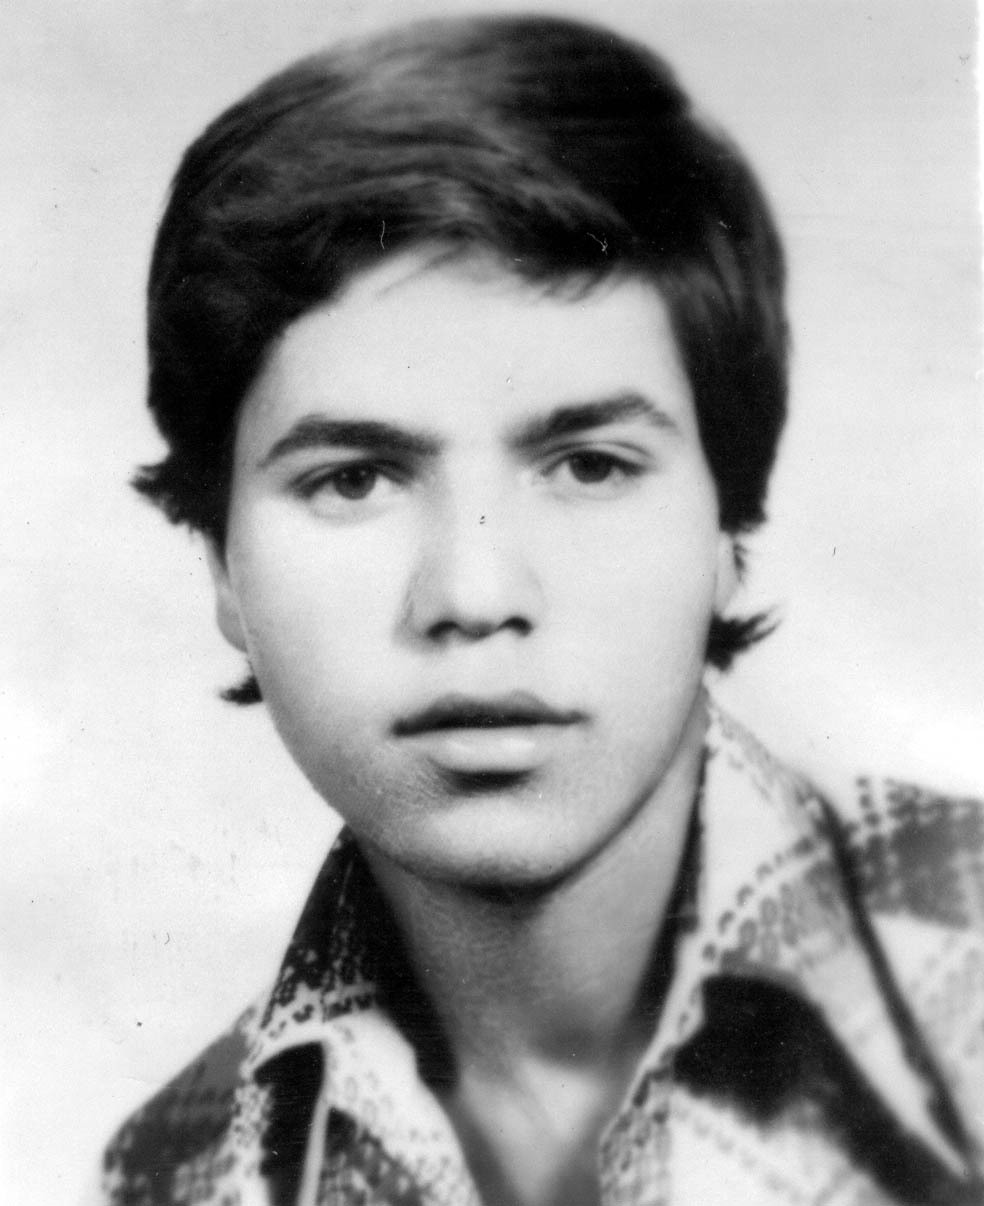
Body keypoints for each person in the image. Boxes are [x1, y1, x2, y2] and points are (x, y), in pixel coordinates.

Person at [97, 13, 983, 1206]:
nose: (474, 597)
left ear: (728, 528)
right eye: (354, 480)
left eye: (590, 466)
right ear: (220, 565)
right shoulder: (178, 1177)